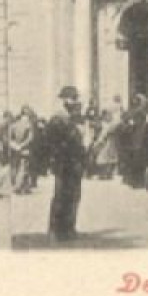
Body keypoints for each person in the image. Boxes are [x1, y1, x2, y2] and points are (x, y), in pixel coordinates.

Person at [38, 86, 88, 242]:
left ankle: (69, 228)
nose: (75, 101)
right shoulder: (57, 119)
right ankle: (54, 229)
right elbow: (51, 143)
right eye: (72, 98)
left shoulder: (75, 119)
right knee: (60, 196)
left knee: (74, 196)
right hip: (63, 162)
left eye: (75, 98)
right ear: (64, 100)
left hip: (75, 163)